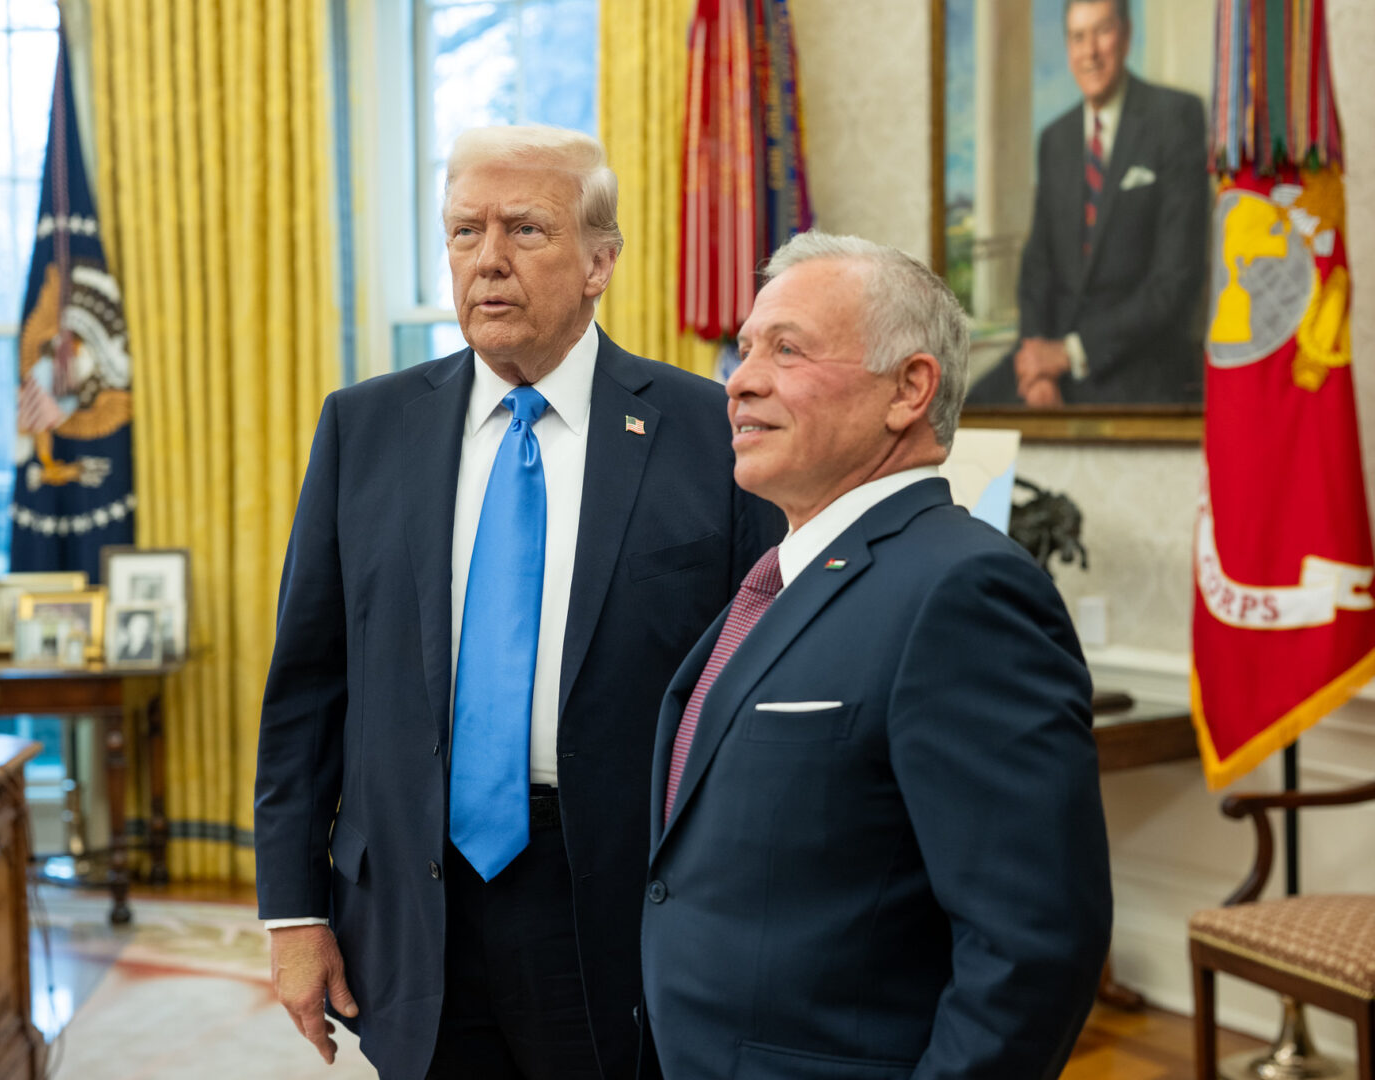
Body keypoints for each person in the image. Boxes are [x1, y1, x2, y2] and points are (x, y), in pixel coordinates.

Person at [255, 124, 781, 1080]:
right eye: (465, 231)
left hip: (618, 903)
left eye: (525, 230)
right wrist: (294, 915)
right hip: (412, 901)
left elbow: (754, 693)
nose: (487, 260)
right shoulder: (364, 427)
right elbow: (306, 690)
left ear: (599, 264)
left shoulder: (709, 435)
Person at [640, 231, 1113, 1080]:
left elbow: (1031, 948)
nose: (740, 380)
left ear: (909, 389)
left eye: (787, 350)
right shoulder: (782, 579)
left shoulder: (966, 592)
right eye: (745, 349)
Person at [966, 0, 1207, 406]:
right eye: (1078, 37)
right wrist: (1036, 365)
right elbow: (1037, 268)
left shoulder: (1175, 118)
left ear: (1126, 36)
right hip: (1052, 359)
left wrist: (1071, 353)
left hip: (1135, 360)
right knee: (967, 414)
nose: (1090, 52)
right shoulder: (1055, 139)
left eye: (1102, 32)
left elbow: (1174, 282)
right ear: (1068, 47)